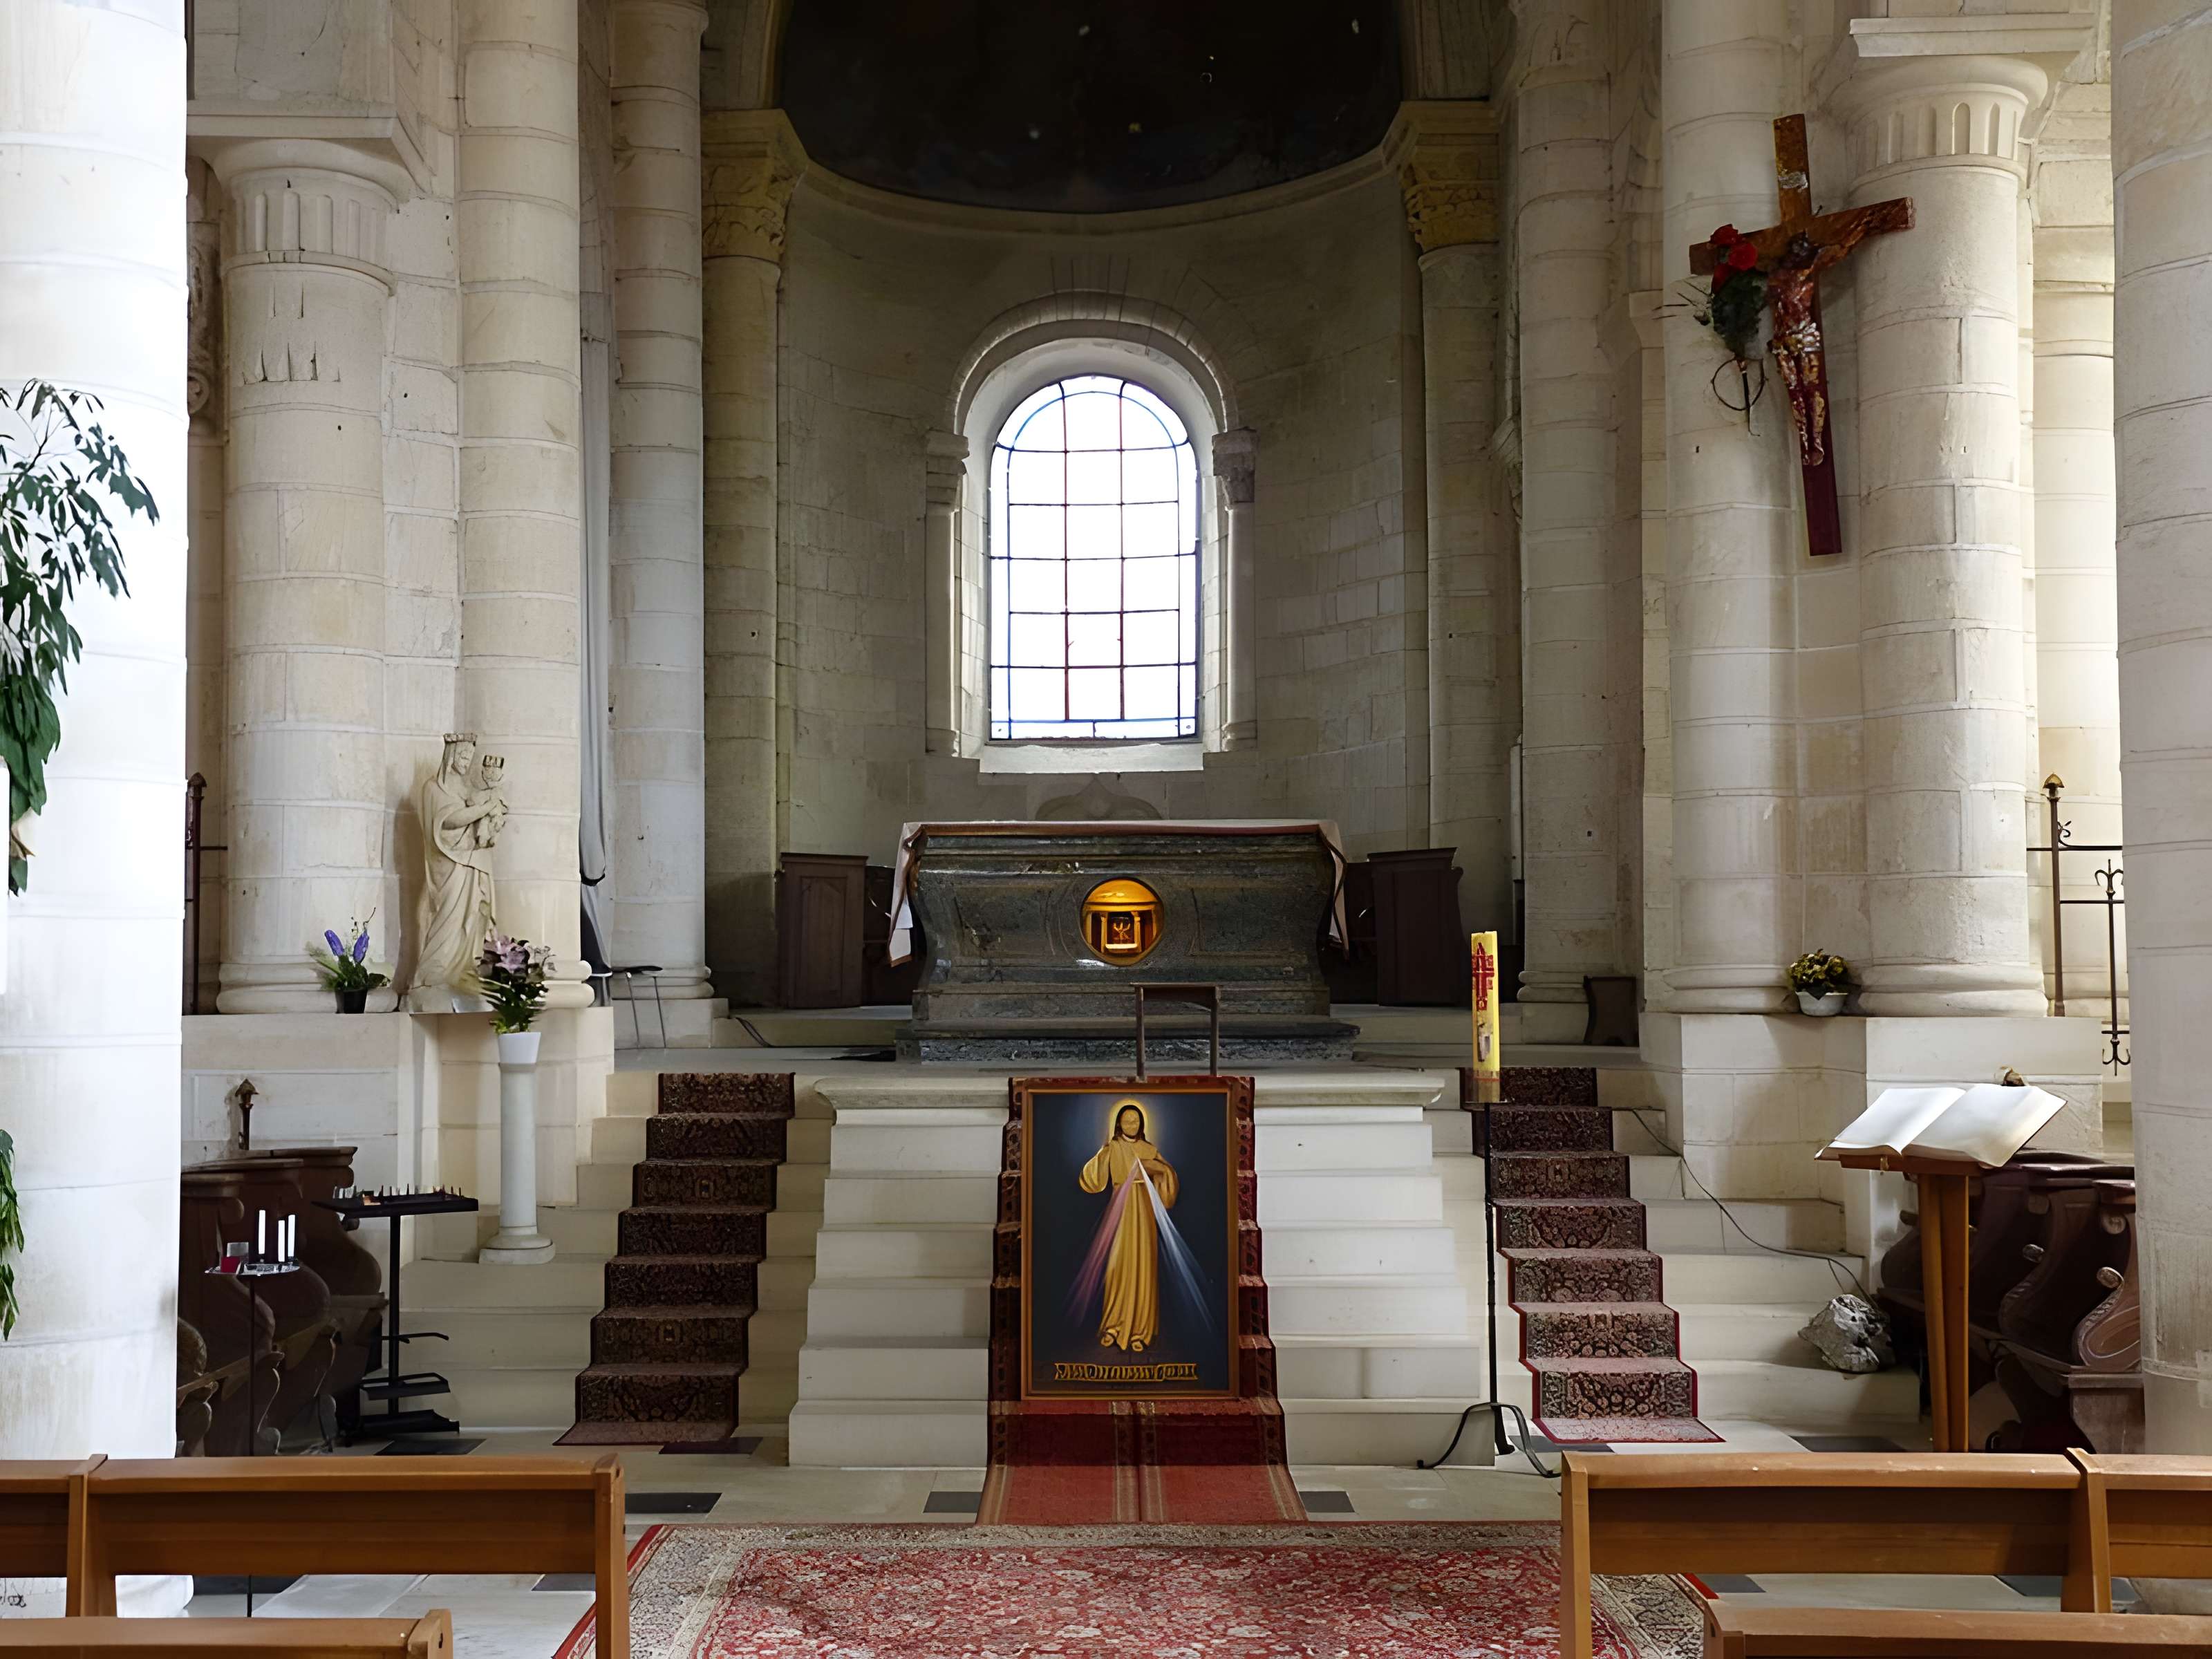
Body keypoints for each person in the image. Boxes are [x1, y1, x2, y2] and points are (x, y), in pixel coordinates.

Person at [1077, 1102, 1179, 1351]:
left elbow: (1168, 1178)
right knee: (1117, 1267)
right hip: (1120, 1213)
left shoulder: (1149, 1149)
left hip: (1144, 1212)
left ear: (1142, 1124)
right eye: (1127, 1121)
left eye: (1135, 1121)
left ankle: (1140, 1332)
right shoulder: (1113, 1147)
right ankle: (1113, 1326)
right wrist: (1103, 1154)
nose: (1131, 1125)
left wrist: (1159, 1170)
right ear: (1119, 1123)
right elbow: (1091, 1180)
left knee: (1143, 1267)